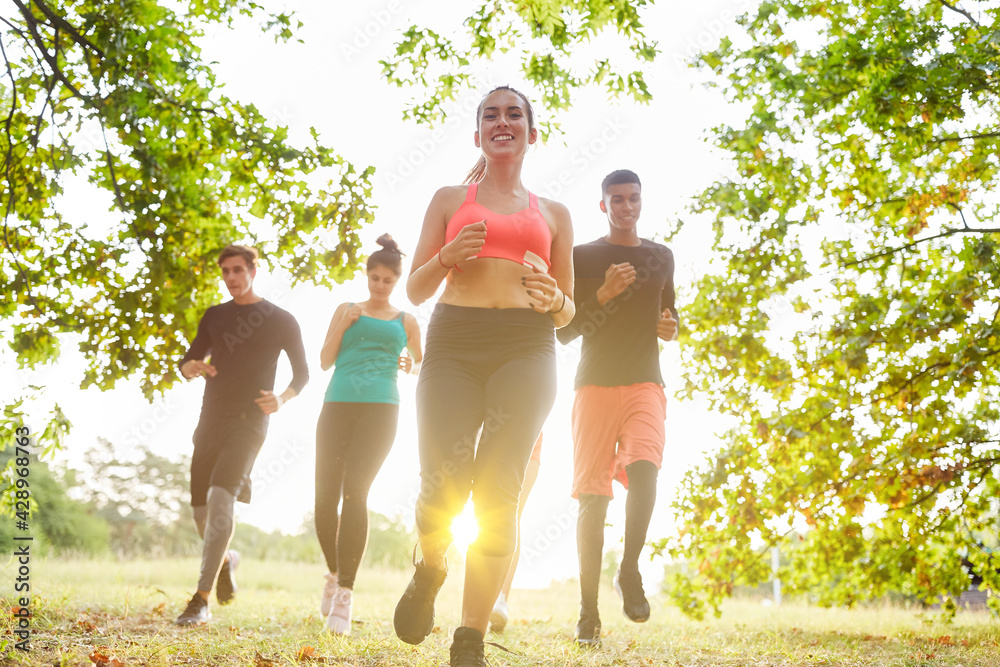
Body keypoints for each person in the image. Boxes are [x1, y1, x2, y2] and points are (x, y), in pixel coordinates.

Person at [392, 86, 575, 667]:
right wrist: (447, 257)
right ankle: (431, 566)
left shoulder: (554, 214)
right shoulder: (449, 200)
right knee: (440, 486)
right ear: (477, 135)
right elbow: (414, 291)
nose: (503, 122)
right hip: (453, 343)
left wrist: (555, 299)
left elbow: (569, 315)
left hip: (526, 349)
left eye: (513, 114)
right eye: (490, 115)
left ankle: (469, 636)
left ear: (531, 132)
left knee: (498, 493)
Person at [556, 169, 679, 647]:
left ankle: (629, 569)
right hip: (594, 386)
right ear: (603, 206)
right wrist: (602, 294)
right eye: (617, 199)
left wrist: (669, 326)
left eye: (633, 198)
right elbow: (563, 330)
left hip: (646, 381)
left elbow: (668, 313)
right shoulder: (583, 257)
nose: (627, 206)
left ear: (642, 201)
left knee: (646, 470)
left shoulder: (661, 256)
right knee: (593, 497)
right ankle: (588, 613)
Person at [174, 245, 309, 626]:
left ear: (253, 269)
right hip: (210, 420)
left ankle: (200, 600)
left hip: (249, 421)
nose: (231, 278)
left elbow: (302, 374)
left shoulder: (280, 319)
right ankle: (227, 560)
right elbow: (188, 358)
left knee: (221, 499)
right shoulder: (214, 316)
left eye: (237, 270)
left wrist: (281, 399)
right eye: (225, 272)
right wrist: (191, 366)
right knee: (201, 512)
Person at [314, 234, 423, 634]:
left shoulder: (406, 321)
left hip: (381, 408)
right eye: (374, 278)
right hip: (338, 405)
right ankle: (333, 571)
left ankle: (344, 594)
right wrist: (344, 324)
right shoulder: (347, 309)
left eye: (387, 280)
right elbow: (325, 361)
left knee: (355, 492)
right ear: (366, 276)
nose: (380, 286)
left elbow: (417, 364)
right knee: (324, 500)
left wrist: (409, 363)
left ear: (396, 279)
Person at [488, 432, 542, 634]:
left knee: (513, 514)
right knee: (485, 513)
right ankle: (481, 596)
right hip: (489, 432)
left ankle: (500, 598)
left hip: (529, 435)